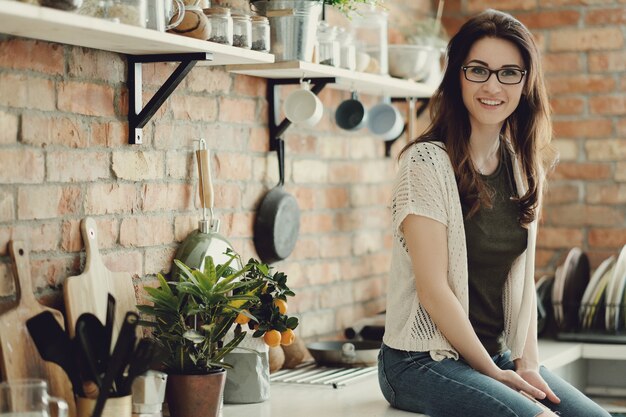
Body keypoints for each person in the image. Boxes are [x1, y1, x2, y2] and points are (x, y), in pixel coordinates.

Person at [378, 9, 610, 417]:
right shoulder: (425, 164)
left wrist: (528, 365)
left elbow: (522, 284)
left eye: (509, 73)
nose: (492, 85)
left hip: (494, 356)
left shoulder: (523, 167)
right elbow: (433, 291)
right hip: (419, 362)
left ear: (525, 82)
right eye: (478, 70)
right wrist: (493, 374)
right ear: (457, 76)